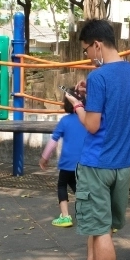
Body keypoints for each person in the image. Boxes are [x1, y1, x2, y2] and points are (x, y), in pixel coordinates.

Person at [64, 20, 130, 260]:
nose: (88, 56)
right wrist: (91, 93)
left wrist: (77, 105)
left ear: (97, 44)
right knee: (102, 226)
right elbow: (121, 105)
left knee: (101, 232)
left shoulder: (99, 77)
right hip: (124, 165)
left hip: (97, 164)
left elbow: (94, 125)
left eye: (87, 50)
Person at [38, 89, 88, 227]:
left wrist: (44, 157)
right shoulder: (88, 120)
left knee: (62, 185)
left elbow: (54, 140)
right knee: (79, 187)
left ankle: (65, 216)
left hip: (67, 163)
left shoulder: (65, 121)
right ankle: (87, 213)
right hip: (86, 162)